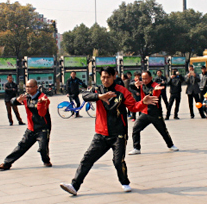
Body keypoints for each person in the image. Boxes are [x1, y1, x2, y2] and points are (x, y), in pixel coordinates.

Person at [60, 67, 158, 196]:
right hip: (101, 134)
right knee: (87, 159)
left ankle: (125, 182)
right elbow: (85, 96)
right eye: (103, 77)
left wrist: (143, 103)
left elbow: (133, 108)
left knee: (118, 161)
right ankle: (74, 186)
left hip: (118, 134)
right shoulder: (97, 89)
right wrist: (99, 97)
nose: (105, 80)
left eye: (108, 77)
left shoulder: (122, 91)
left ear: (114, 76)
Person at [0, 79, 52, 170]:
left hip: (43, 127)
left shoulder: (43, 97)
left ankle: (46, 160)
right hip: (31, 127)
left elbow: (42, 113)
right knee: (21, 146)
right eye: (26, 86)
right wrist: (16, 100)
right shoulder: (26, 97)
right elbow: (13, 102)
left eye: (30, 87)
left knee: (43, 148)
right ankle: (7, 163)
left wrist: (41, 103)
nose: (28, 89)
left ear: (36, 87)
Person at [129, 71, 179, 155]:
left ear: (151, 78)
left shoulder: (155, 85)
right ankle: (136, 148)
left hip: (155, 114)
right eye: (143, 78)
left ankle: (171, 145)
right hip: (145, 113)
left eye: (146, 78)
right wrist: (135, 84)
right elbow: (130, 86)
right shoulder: (141, 85)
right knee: (135, 129)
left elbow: (157, 89)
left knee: (163, 131)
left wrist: (154, 89)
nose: (144, 80)